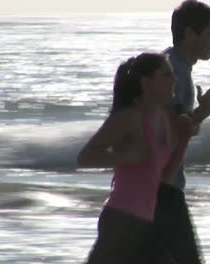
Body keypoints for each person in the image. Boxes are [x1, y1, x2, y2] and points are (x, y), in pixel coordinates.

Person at [77, 52, 194, 264]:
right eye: (166, 75)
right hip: (121, 219)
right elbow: (85, 157)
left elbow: (164, 178)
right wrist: (128, 156)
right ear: (145, 83)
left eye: (173, 75)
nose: (174, 80)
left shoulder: (162, 118)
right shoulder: (130, 117)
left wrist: (184, 139)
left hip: (145, 223)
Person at [153, 1, 210, 264]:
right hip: (162, 188)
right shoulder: (172, 71)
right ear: (189, 34)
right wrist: (204, 110)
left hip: (157, 185)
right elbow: (173, 131)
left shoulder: (175, 66)